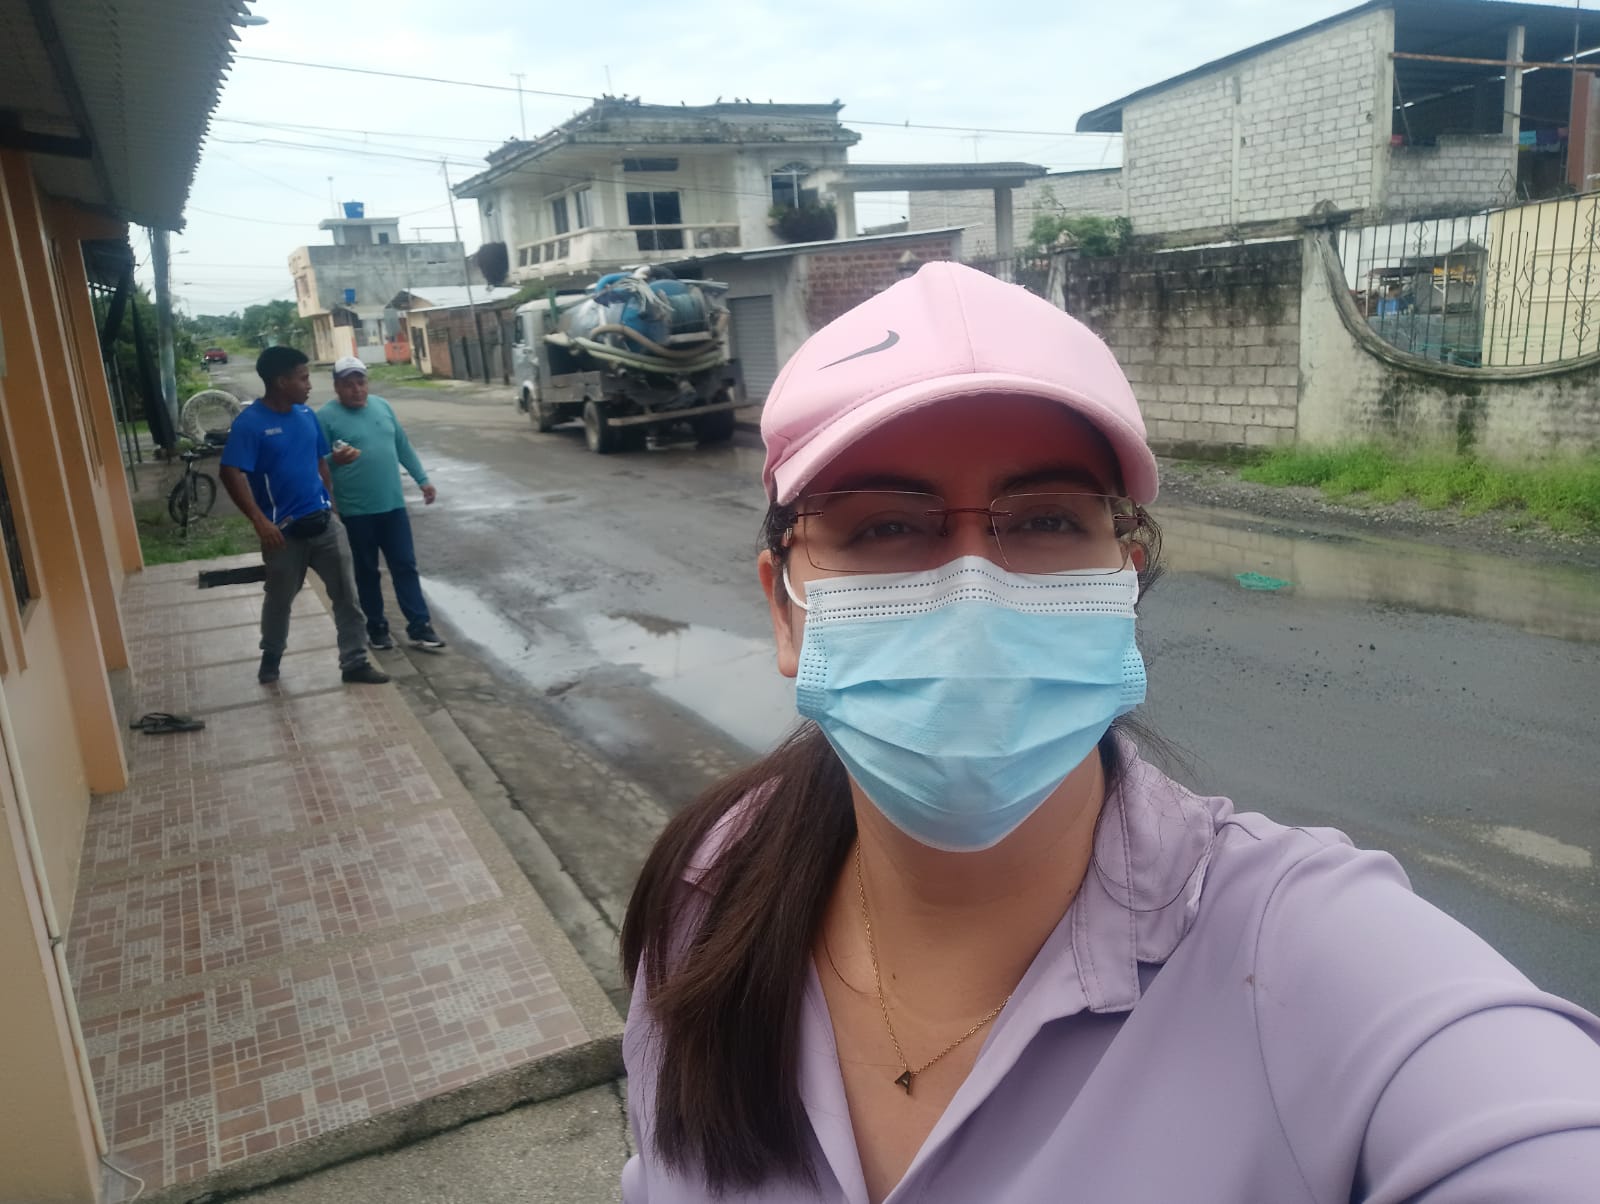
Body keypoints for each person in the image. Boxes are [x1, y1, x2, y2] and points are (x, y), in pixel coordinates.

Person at [620, 263, 1600, 1203]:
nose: (973, 593)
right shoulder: (708, 893)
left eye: (1046, 520)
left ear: (1122, 583)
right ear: (785, 609)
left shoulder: (1311, 960)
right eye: (883, 526)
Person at [218, 346, 390, 687]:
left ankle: (354, 662)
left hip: (324, 524)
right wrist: (259, 521)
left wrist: (330, 503)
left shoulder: (306, 415)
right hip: (283, 533)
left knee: (347, 596)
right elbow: (230, 472)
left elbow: (319, 461)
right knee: (280, 599)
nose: (309, 385)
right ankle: (271, 656)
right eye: (303, 378)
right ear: (281, 382)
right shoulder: (250, 424)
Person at [316, 356, 446, 652]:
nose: (357, 389)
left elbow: (402, 445)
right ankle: (376, 628)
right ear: (336, 387)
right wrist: (334, 461)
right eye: (348, 384)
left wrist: (423, 480)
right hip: (355, 511)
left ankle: (419, 626)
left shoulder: (382, 406)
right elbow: (316, 464)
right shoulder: (325, 418)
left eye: (361, 382)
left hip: (393, 506)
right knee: (366, 572)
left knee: (405, 566)